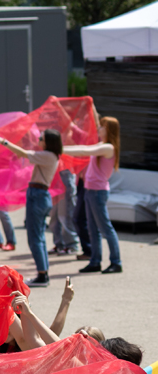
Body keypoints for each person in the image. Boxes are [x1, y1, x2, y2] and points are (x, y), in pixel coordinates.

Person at [0, 129, 62, 287]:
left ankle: (42, 274)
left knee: (35, 238)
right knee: (39, 238)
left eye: (41, 138)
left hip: (38, 195)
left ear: (48, 142)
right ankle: (43, 273)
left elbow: (24, 153)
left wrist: (4, 142)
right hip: (39, 195)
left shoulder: (48, 155)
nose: (39, 140)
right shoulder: (50, 155)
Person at [64, 116, 122, 275]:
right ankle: (95, 261)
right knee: (93, 228)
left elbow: (84, 150)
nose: (99, 129)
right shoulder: (102, 145)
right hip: (91, 191)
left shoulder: (108, 147)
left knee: (105, 228)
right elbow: (83, 148)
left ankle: (116, 262)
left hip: (97, 192)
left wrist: (59, 149)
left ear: (108, 130)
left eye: (102, 127)